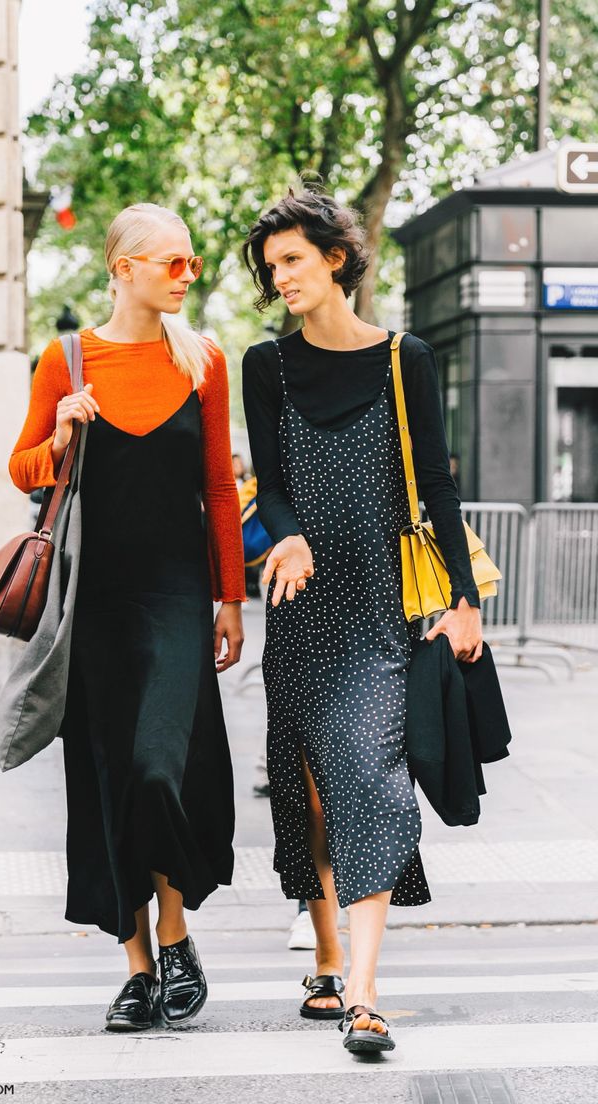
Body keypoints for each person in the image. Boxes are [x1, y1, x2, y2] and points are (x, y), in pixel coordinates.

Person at [242, 187, 482, 1055]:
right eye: (272, 269)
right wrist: (290, 534)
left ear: (336, 258)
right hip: (301, 604)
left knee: (372, 779)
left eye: (294, 260)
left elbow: (440, 486)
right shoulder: (264, 366)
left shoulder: (402, 358)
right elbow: (267, 482)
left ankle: (366, 994)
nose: (282, 278)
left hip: (383, 604)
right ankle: (329, 958)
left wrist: (464, 600)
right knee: (309, 787)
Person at [9, 203, 245, 1032]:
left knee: (158, 768)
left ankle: (176, 938)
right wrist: (65, 425)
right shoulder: (66, 360)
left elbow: (219, 487)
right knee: (108, 779)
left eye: (191, 263)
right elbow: (22, 468)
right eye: (172, 263)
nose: (188, 275)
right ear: (124, 270)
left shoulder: (205, 361)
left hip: (178, 596)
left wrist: (231, 598)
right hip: (94, 605)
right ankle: (139, 969)